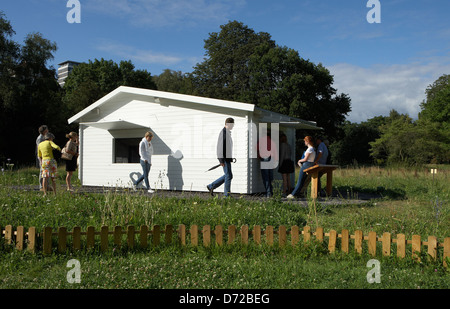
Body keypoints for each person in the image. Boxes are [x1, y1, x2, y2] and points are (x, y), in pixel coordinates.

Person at [207, 118, 234, 197]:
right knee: (228, 175)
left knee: (228, 175)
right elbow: (220, 147)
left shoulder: (227, 133)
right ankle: (227, 195)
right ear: (228, 124)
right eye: (232, 124)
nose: (233, 126)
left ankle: (211, 186)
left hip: (227, 158)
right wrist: (221, 160)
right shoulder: (223, 133)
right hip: (224, 158)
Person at [257, 130, 278, 198]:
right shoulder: (272, 142)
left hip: (265, 159)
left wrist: (259, 156)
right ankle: (271, 192)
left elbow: (256, 148)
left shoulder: (261, 140)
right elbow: (275, 152)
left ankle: (268, 193)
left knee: (265, 177)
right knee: (270, 177)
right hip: (271, 159)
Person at [36, 125, 48, 191]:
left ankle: (46, 185)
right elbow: (39, 148)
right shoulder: (40, 138)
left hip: (45, 156)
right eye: (46, 130)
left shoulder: (45, 137)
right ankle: (41, 186)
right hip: (41, 156)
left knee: (46, 171)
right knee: (42, 171)